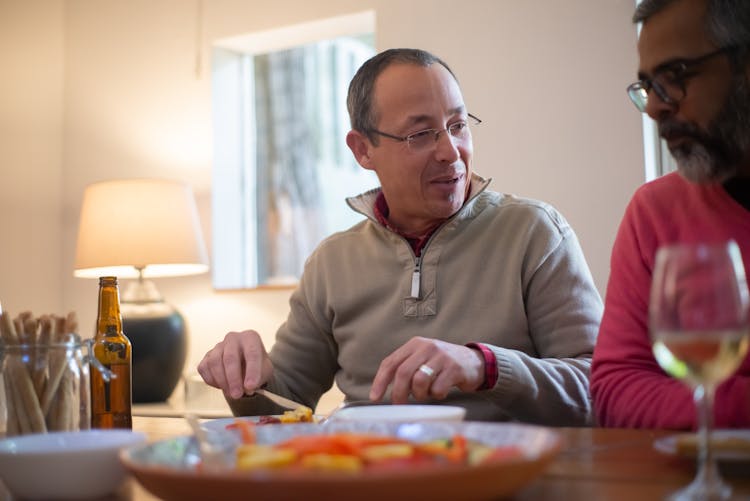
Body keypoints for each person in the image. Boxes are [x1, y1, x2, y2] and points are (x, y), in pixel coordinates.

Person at [199, 48, 602, 425]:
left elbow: (600, 389)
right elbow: (285, 406)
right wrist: (245, 377)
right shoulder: (331, 262)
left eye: (458, 126)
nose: (451, 151)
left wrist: (485, 367)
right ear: (362, 150)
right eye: (421, 135)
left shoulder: (534, 233)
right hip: (369, 477)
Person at [590, 0, 750, 429]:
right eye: (648, 86)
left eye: (676, 77)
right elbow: (616, 388)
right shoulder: (655, 212)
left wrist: (703, 403)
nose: (656, 108)